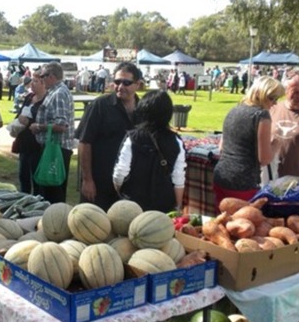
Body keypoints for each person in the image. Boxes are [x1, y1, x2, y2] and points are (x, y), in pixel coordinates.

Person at [75, 62, 142, 211]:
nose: (120, 86)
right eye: (117, 82)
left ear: (137, 84)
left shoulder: (143, 109)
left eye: (126, 83)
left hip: (130, 186)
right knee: (92, 222)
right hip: (99, 183)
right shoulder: (99, 105)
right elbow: (84, 142)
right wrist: (87, 180)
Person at [213, 76, 285, 205]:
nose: (274, 103)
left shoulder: (234, 110)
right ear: (261, 95)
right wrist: (277, 143)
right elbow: (264, 159)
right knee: (246, 217)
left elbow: (221, 147)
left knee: (223, 216)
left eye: (277, 99)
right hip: (243, 180)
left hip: (221, 175)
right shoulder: (261, 115)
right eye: (272, 98)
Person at [113, 90, 186, 213]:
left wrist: (120, 193)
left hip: (133, 205)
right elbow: (178, 179)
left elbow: (120, 173)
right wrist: (178, 207)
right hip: (163, 206)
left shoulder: (132, 138)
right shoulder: (176, 141)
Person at [30, 62, 75, 203]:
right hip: (54, 148)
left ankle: (55, 215)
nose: (41, 79)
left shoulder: (59, 93)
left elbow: (61, 125)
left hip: (56, 150)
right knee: (49, 190)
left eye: (42, 76)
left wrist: (39, 127)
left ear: (51, 76)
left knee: (52, 191)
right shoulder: (55, 91)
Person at [13, 71, 46, 194]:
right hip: (24, 141)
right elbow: (20, 113)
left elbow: (45, 120)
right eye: (32, 81)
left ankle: (37, 199)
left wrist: (29, 122)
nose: (32, 84)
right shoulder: (29, 97)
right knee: (23, 175)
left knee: (36, 176)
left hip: (37, 143)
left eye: (36, 81)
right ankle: (24, 197)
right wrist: (19, 119)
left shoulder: (47, 100)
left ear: (43, 83)